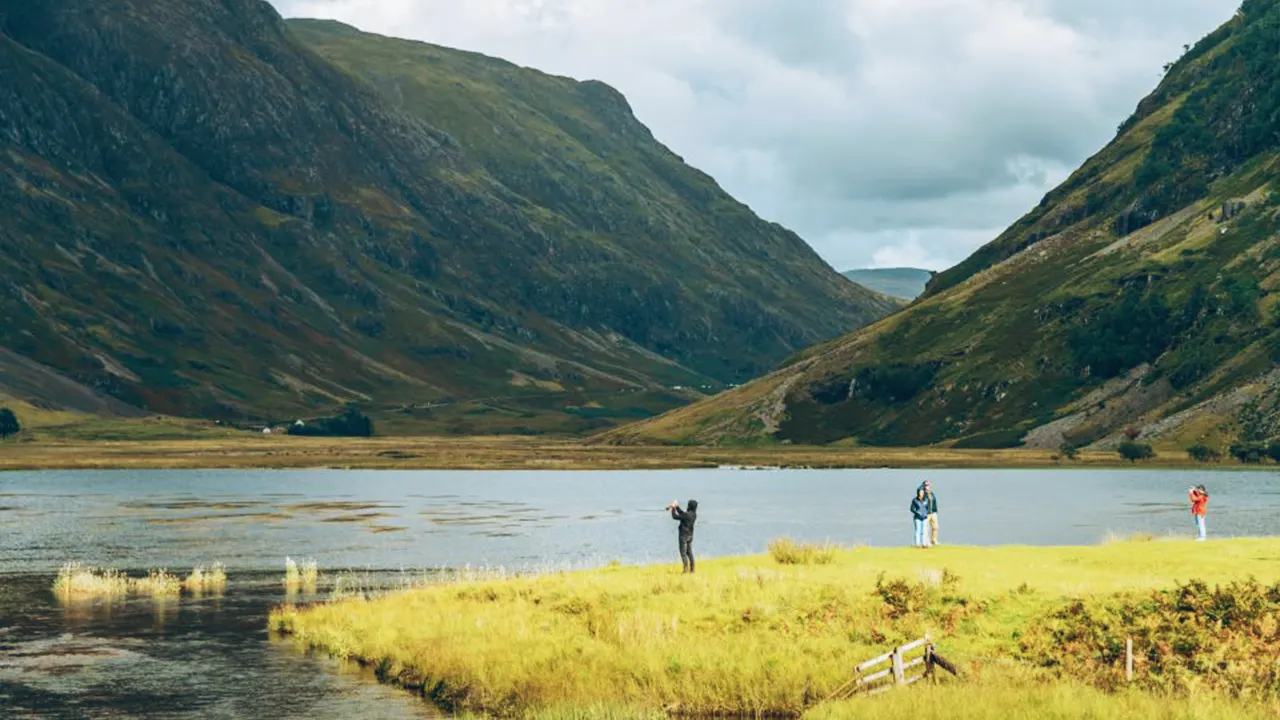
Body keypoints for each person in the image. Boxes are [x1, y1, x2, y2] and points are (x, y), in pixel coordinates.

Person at [668, 499, 698, 572]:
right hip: (690, 535)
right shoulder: (694, 515)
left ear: (689, 506)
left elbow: (675, 516)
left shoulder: (686, 515)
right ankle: (692, 569)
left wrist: (673, 509)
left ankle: (685, 570)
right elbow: (682, 514)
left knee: (683, 553)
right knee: (689, 552)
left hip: (683, 536)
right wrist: (677, 507)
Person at [917, 480, 939, 546]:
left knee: (935, 527)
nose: (928, 486)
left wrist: (935, 510)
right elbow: (918, 490)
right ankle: (927, 542)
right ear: (923, 486)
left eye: (928, 485)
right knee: (926, 528)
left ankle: (934, 540)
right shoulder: (922, 493)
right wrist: (922, 485)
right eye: (926, 485)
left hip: (933, 512)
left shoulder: (931, 493)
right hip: (927, 513)